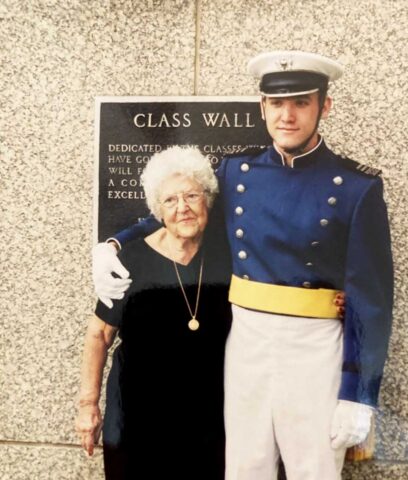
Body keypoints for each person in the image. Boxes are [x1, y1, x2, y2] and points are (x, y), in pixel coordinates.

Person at [92, 50, 392, 480]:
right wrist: (113, 245)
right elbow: (181, 208)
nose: (287, 115)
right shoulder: (237, 170)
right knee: (244, 468)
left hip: (315, 345)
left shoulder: (356, 187)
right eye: (276, 103)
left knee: (315, 469)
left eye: (301, 102)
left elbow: (373, 299)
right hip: (245, 340)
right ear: (262, 107)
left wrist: (359, 393)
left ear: (324, 106)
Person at [75, 146, 233, 479]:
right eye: (171, 201)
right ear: (157, 211)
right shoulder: (130, 261)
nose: (183, 208)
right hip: (137, 416)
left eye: (192, 195)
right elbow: (99, 334)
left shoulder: (228, 257)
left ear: (208, 200)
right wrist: (88, 405)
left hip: (210, 417)